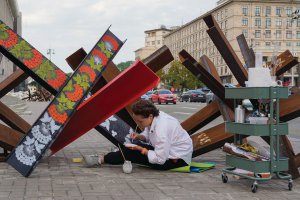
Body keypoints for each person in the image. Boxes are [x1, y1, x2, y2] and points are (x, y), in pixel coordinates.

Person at [84, 99, 193, 170]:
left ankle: (101, 159)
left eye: (140, 121)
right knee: (130, 148)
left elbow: (160, 159)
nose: (139, 124)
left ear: (150, 116)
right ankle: (110, 156)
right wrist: (140, 136)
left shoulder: (162, 129)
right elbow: (149, 133)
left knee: (130, 153)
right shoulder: (156, 117)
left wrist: (142, 150)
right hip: (168, 152)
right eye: (136, 121)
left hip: (176, 160)